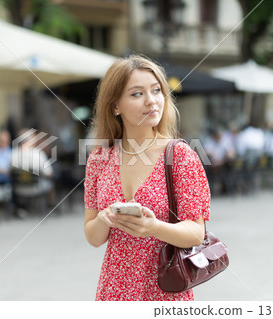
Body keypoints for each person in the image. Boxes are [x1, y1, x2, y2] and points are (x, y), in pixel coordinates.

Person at [83, 55, 210, 301]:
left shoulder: (180, 156)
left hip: (164, 289)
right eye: (137, 94)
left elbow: (196, 233)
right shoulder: (99, 158)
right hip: (115, 290)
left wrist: (153, 228)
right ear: (115, 106)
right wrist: (103, 218)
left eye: (156, 90)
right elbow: (93, 237)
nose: (151, 101)